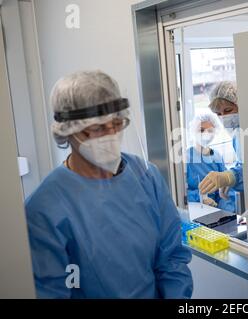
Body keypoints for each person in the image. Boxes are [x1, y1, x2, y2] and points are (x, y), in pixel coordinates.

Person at [25, 70, 193, 299]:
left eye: (116, 123)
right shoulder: (44, 209)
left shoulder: (146, 178)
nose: (111, 134)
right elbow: (50, 290)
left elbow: (171, 259)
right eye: (98, 128)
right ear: (69, 130)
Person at [199, 81, 244, 196]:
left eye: (228, 110)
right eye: (218, 114)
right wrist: (230, 177)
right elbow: (244, 165)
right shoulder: (237, 136)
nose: (224, 117)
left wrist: (231, 176)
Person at [186, 112, 236, 212]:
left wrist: (225, 212)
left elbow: (225, 188)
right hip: (195, 212)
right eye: (201, 130)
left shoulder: (216, 156)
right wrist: (201, 198)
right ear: (193, 131)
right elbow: (180, 193)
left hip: (216, 213)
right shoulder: (186, 157)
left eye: (210, 131)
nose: (206, 134)